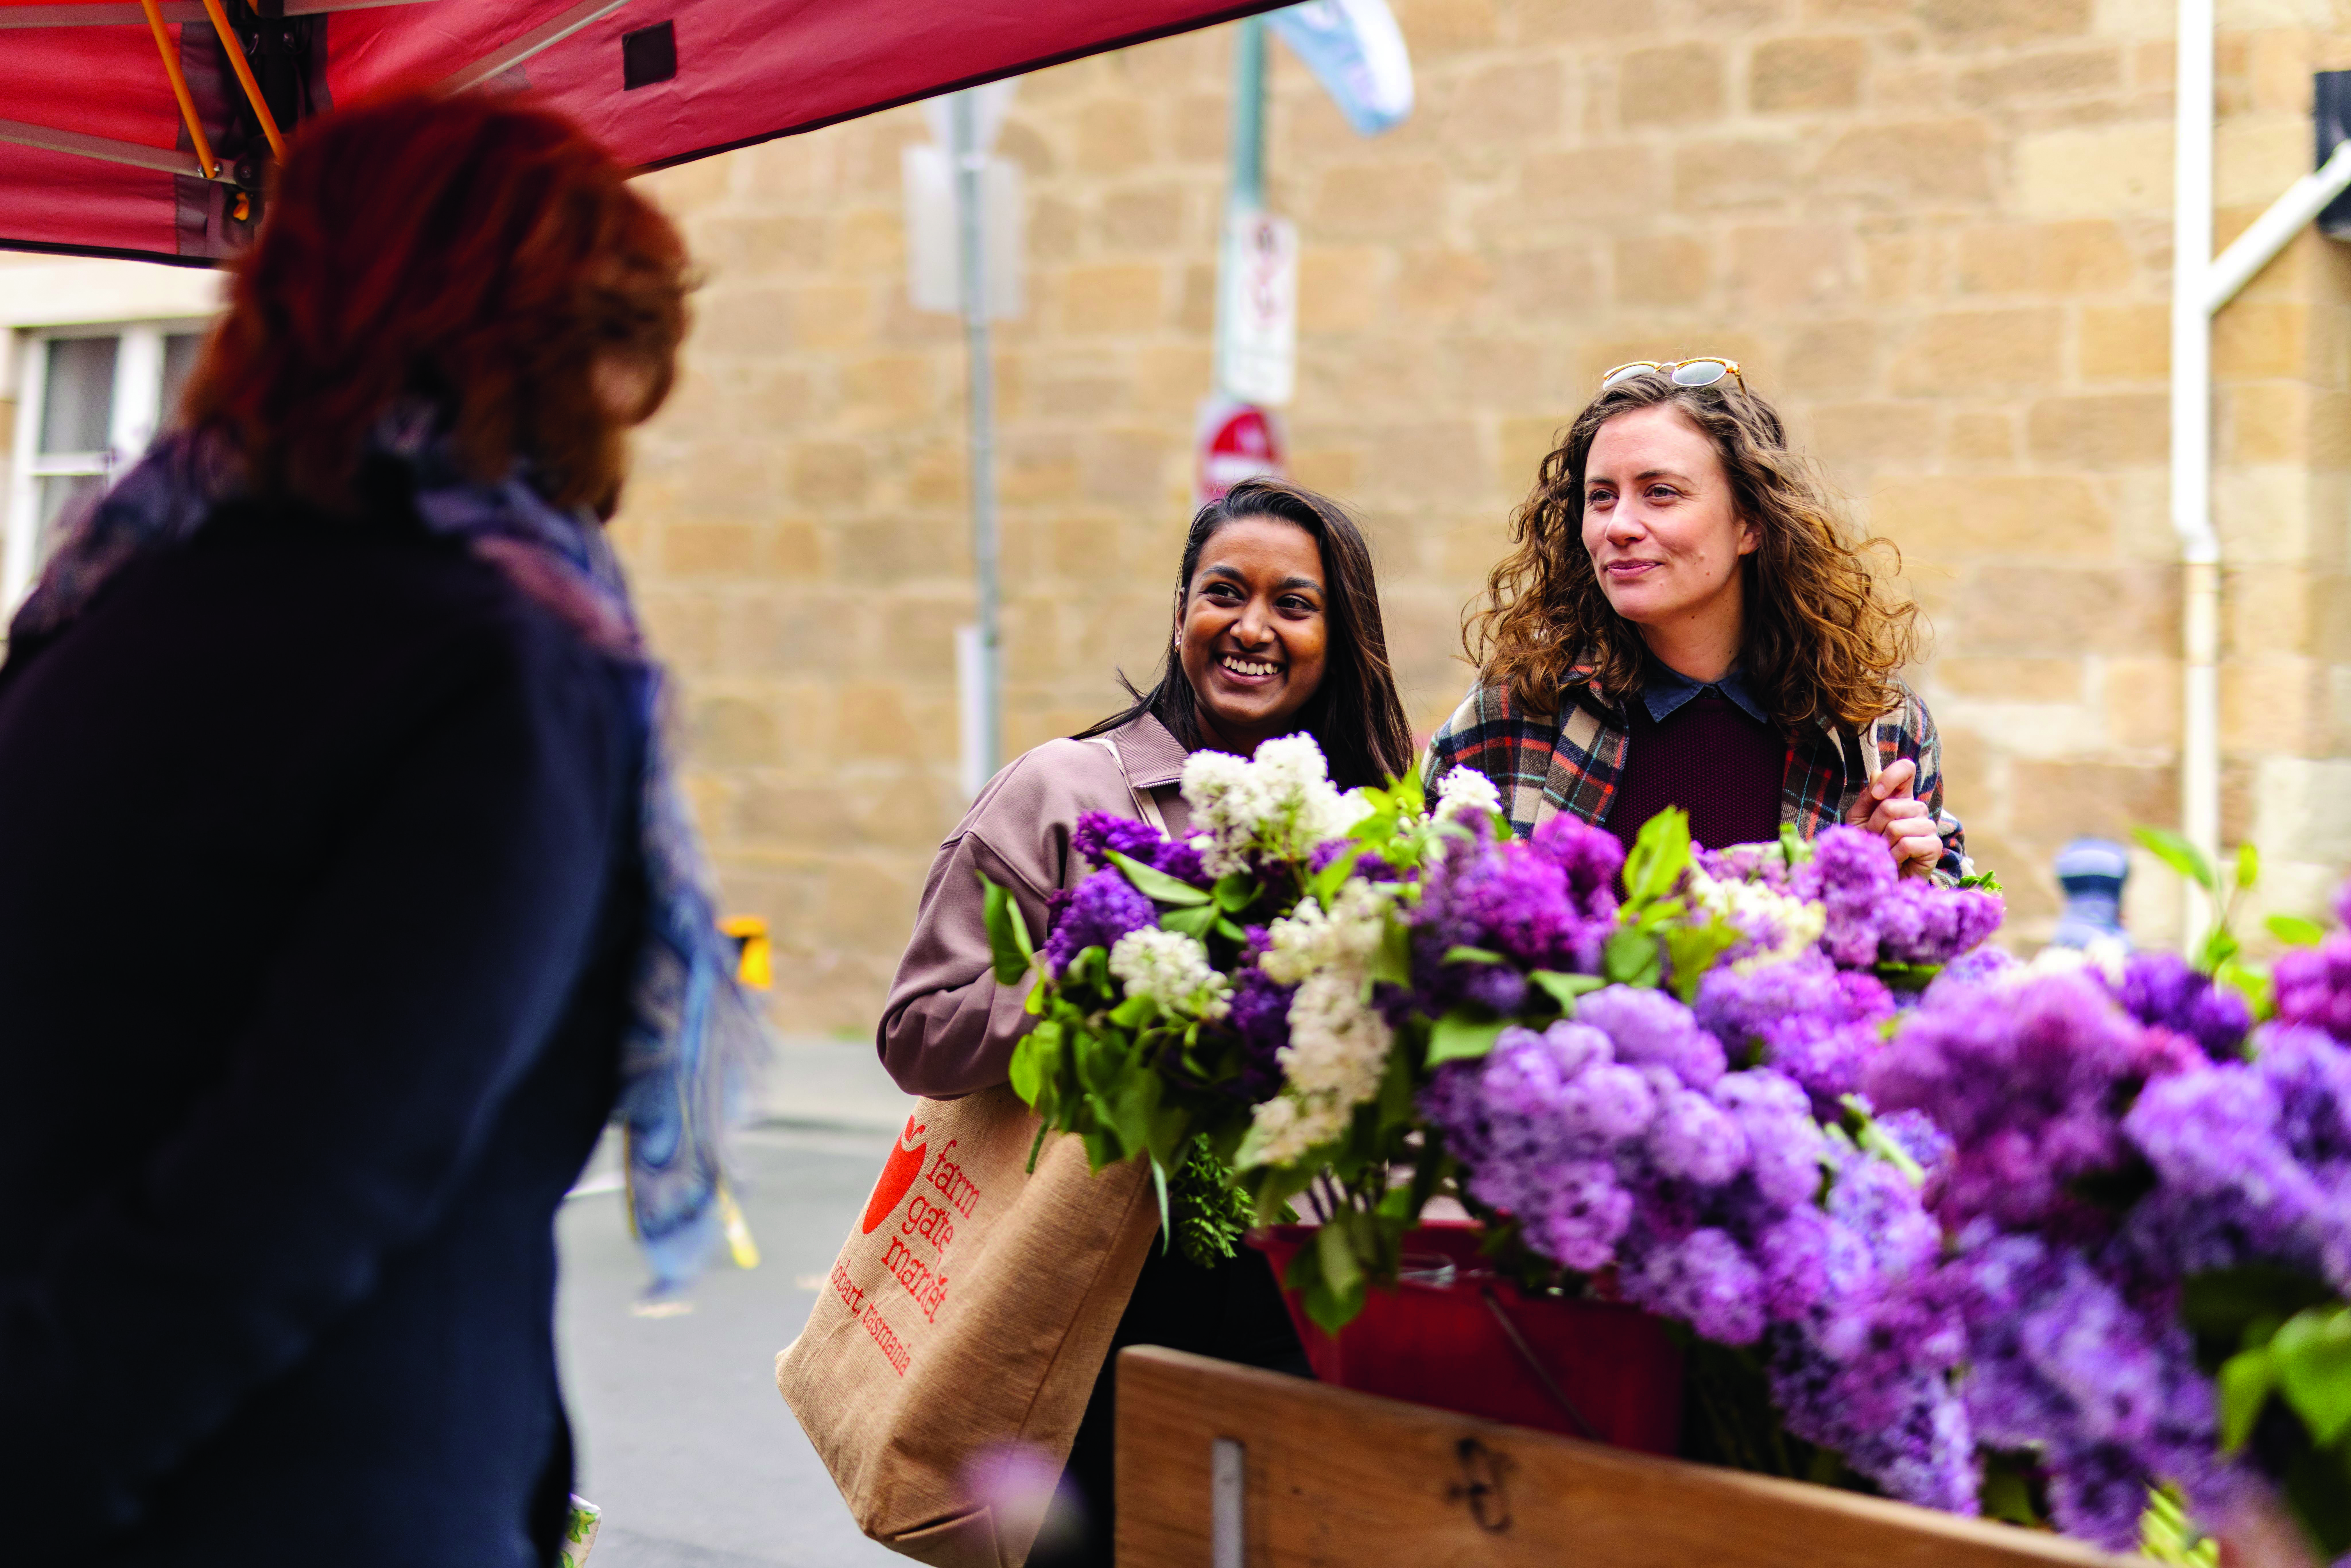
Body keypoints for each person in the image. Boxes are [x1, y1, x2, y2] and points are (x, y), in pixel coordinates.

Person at [0, 90, 757, 1565]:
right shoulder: (505, 658)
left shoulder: (104, 603)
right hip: (299, 1490)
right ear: (536, 355)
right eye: (617, 365)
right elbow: (315, 1170)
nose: (619, 451)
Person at [878, 477, 1415, 1567]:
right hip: (1080, 1307)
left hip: (1288, 1301)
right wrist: (1102, 982)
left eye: (1294, 604)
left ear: (1338, 637)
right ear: (1180, 615)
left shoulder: (1369, 824)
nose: (1252, 627)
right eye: (1224, 593)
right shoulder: (1064, 789)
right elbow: (918, 1030)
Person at [1427, 358, 1967, 876]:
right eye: (1601, 497)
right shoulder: (1519, 710)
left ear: (1750, 524)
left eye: (1660, 493)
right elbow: (1415, 909)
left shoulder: (1871, 724)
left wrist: (1885, 885)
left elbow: (1945, 905)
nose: (1619, 526)